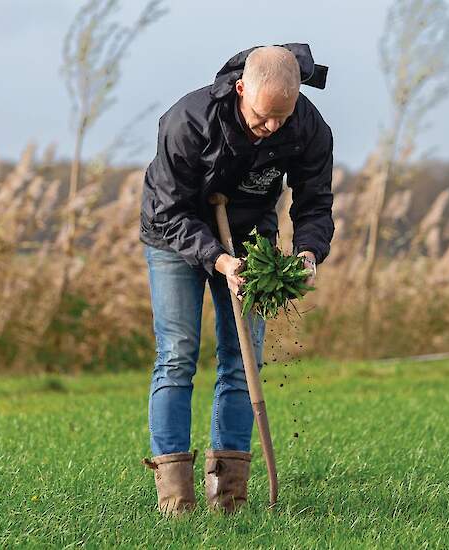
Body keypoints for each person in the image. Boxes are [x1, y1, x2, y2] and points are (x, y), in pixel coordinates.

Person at [138, 43, 334, 515]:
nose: (272, 128)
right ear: (241, 87)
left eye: (281, 120)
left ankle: (228, 496)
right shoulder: (187, 121)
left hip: (251, 238)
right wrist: (218, 260)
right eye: (263, 118)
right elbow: (168, 211)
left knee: (241, 363)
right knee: (178, 355)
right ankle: (176, 498)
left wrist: (307, 253)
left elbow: (314, 201)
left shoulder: (307, 126)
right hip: (175, 236)